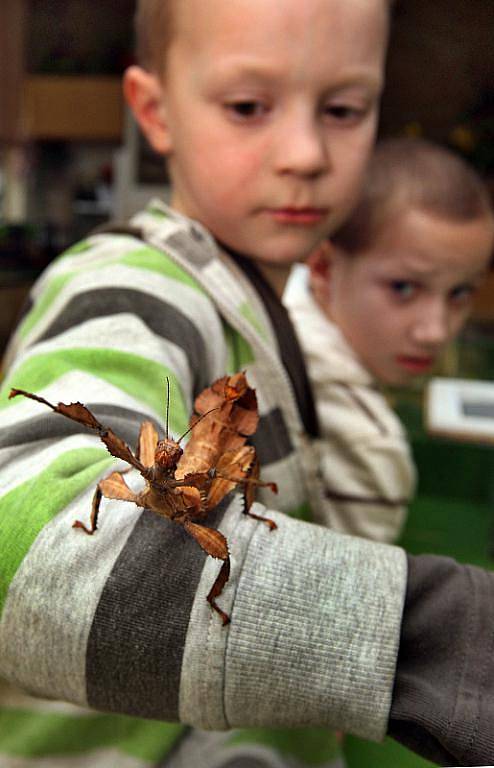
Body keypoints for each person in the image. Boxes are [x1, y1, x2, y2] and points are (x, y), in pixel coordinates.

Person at [1, 3, 494, 768]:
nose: (303, 152)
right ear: (155, 113)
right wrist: (433, 637)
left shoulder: (264, 301)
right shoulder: (124, 286)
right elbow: (22, 540)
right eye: (246, 106)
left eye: (342, 108)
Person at [284, 137, 494, 545]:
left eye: (460, 293)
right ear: (323, 267)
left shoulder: (281, 299)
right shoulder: (371, 446)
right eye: (403, 288)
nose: (435, 332)